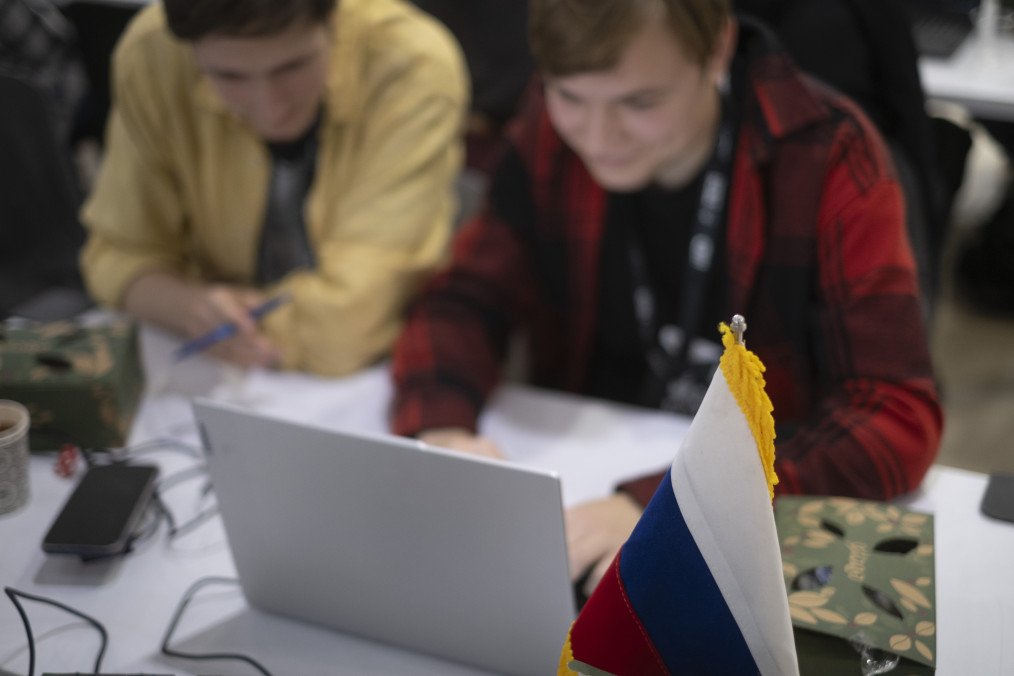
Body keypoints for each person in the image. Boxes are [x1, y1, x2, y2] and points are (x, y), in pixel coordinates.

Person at [390, 0, 942, 595]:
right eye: (569, 97)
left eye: (641, 102)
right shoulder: (551, 127)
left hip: (751, 533)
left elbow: (893, 414)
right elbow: (464, 300)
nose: (598, 137)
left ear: (718, 51)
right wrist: (441, 434)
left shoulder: (823, 153)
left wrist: (676, 506)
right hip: (585, 496)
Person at [79, 0, 467, 375]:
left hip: (375, 377)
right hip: (215, 368)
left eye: (293, 66)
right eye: (228, 76)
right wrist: (187, 307)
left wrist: (207, 315)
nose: (270, 107)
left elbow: (351, 328)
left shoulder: (410, 65)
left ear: (334, 17)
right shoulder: (154, 54)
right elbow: (115, 253)